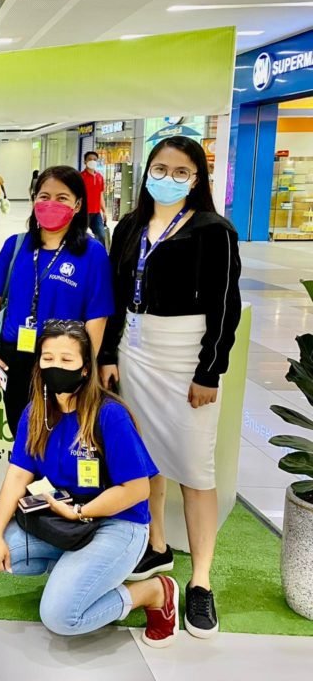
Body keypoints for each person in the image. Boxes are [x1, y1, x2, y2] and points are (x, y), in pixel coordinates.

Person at [99, 135, 242, 637]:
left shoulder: (213, 230)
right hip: (135, 351)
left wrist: (210, 370)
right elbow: (116, 298)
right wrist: (108, 354)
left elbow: (227, 307)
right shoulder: (130, 227)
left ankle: (201, 582)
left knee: (194, 466)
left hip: (186, 355)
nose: (168, 177)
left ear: (198, 178)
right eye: (160, 168)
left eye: (181, 171)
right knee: (145, 455)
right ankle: (157, 544)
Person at [0, 320, 177, 647]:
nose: (55, 366)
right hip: (67, 517)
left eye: (67, 360)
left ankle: (153, 591)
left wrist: (81, 512)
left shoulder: (109, 415)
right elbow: (17, 474)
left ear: (85, 368)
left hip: (118, 524)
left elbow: (138, 490)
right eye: (48, 358)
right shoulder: (36, 412)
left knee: (60, 619)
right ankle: (78, 570)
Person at [0, 165, 114, 429]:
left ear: (77, 205)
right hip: (14, 356)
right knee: (21, 432)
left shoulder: (92, 253)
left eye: (62, 198)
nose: (51, 203)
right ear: (33, 199)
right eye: (44, 196)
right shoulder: (16, 245)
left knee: (61, 435)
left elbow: (97, 316)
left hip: (64, 360)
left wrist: (85, 369)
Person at [81, 151, 107, 245]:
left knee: (101, 235)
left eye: (95, 160)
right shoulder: (80, 177)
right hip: (83, 213)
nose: (92, 161)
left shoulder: (100, 177)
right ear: (85, 161)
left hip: (96, 213)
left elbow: (100, 195)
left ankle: (100, 256)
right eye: (90, 159)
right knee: (79, 236)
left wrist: (104, 211)